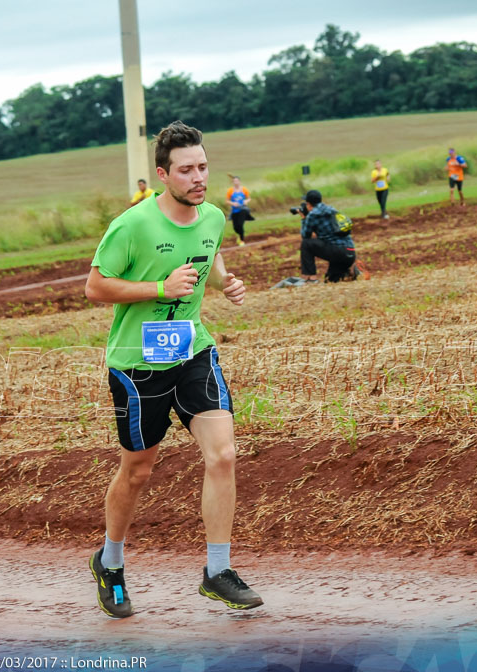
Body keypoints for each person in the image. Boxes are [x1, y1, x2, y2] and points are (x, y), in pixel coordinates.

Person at [84, 121, 262, 618]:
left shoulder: (213, 217)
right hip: (137, 365)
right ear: (163, 174)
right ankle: (111, 562)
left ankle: (217, 571)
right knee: (138, 471)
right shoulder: (133, 225)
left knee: (223, 454)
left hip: (192, 352)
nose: (198, 177)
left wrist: (224, 283)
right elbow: (96, 288)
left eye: (202, 167)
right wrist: (160, 289)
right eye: (186, 170)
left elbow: (209, 250)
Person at [300, 189, 355, 283]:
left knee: (306, 244)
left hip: (336, 252)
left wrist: (304, 218)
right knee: (330, 280)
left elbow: (305, 236)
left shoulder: (312, 215)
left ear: (309, 204)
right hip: (349, 252)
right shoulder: (332, 209)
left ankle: (311, 278)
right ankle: (350, 272)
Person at [225, 175, 251, 245]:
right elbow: (227, 201)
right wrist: (233, 203)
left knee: (240, 225)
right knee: (235, 227)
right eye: (234, 181)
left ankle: (242, 241)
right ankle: (239, 236)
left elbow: (249, 198)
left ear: (239, 182)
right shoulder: (230, 191)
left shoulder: (244, 190)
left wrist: (246, 201)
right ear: (233, 182)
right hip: (234, 211)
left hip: (243, 210)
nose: (236, 182)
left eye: (237, 181)